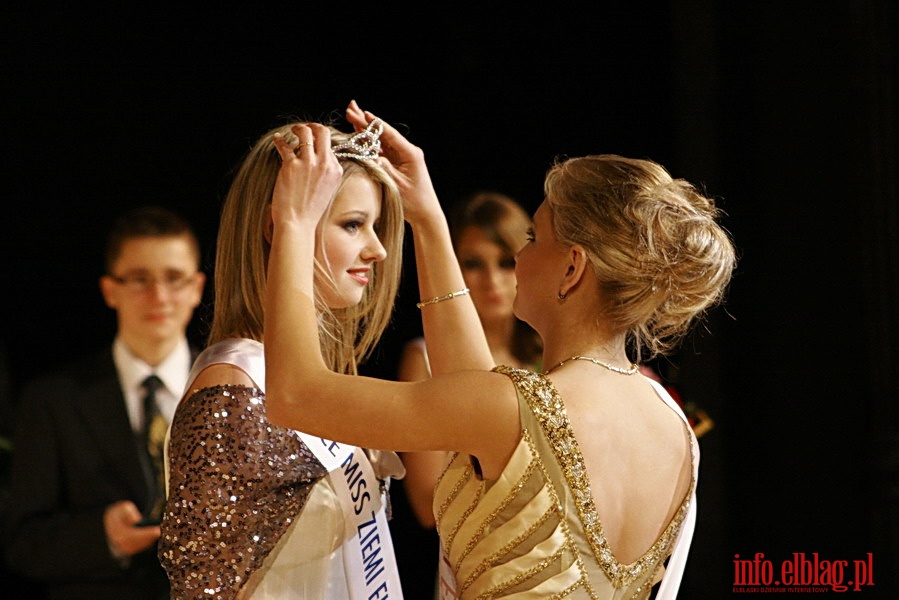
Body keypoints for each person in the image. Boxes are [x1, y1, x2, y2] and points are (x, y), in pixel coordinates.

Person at [263, 102, 736, 599]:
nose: (518, 255)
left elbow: (295, 395)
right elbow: (479, 393)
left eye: (534, 237)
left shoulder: (514, 407)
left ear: (572, 269)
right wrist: (426, 217)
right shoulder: (670, 422)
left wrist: (294, 223)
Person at [158, 112, 407, 599]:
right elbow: (201, 585)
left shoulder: (314, 378)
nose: (377, 249)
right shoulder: (232, 388)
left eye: (375, 226)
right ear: (279, 225)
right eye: (354, 225)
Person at [3, 206, 205, 600]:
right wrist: (103, 536)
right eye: (139, 279)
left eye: (174, 278)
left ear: (197, 287)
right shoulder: (52, 399)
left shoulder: (236, 388)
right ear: (110, 290)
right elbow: (21, 542)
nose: (159, 295)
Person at [393, 191, 542, 595]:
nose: (492, 280)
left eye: (506, 262)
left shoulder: (557, 360)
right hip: (475, 570)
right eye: (473, 264)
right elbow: (426, 505)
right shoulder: (424, 359)